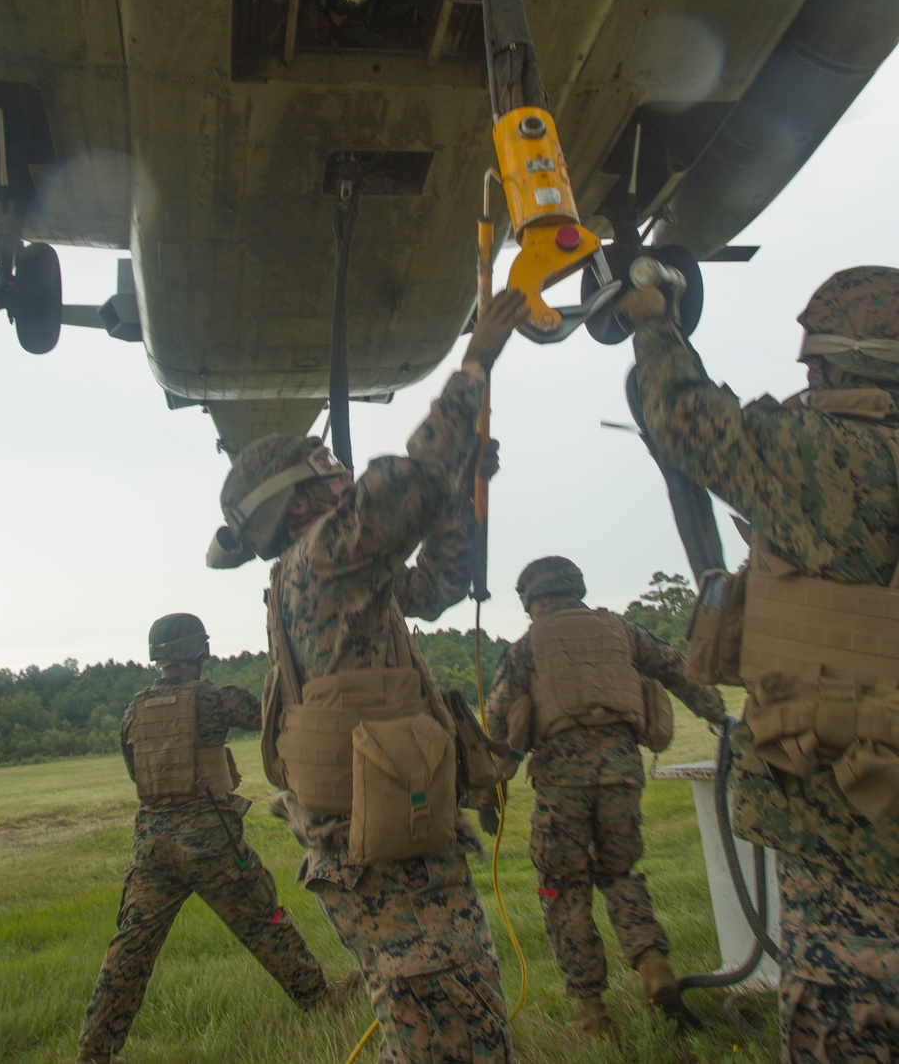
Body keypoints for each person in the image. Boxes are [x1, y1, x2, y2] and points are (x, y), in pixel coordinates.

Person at [215, 288, 527, 1062]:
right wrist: (477, 358)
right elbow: (411, 481)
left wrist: (456, 491)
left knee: (434, 1014)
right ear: (293, 505)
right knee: (448, 1018)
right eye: (324, 467)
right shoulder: (323, 552)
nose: (342, 469)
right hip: (378, 836)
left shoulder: (332, 570)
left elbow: (438, 585)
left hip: (383, 822)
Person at [620, 264, 899, 1062]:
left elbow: (683, 417)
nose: (807, 376)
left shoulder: (822, 458)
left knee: (848, 1014)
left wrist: (653, 319)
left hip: (852, 815)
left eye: (816, 363)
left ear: (841, 365)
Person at [76, 613, 357, 1064]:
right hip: (209, 840)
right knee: (264, 921)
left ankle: (95, 1052)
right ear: (200, 651)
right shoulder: (210, 699)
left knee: (132, 945)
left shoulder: (134, 708)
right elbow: (273, 715)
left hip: (152, 845)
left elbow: (136, 772)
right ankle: (317, 998)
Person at [484, 555, 724, 1039]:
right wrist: (720, 715)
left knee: (562, 887)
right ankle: (654, 966)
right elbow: (680, 670)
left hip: (561, 776)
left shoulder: (528, 646)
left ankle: (594, 1017)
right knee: (621, 873)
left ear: (538, 600)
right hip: (621, 768)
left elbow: (498, 717)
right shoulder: (623, 631)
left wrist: (490, 792)